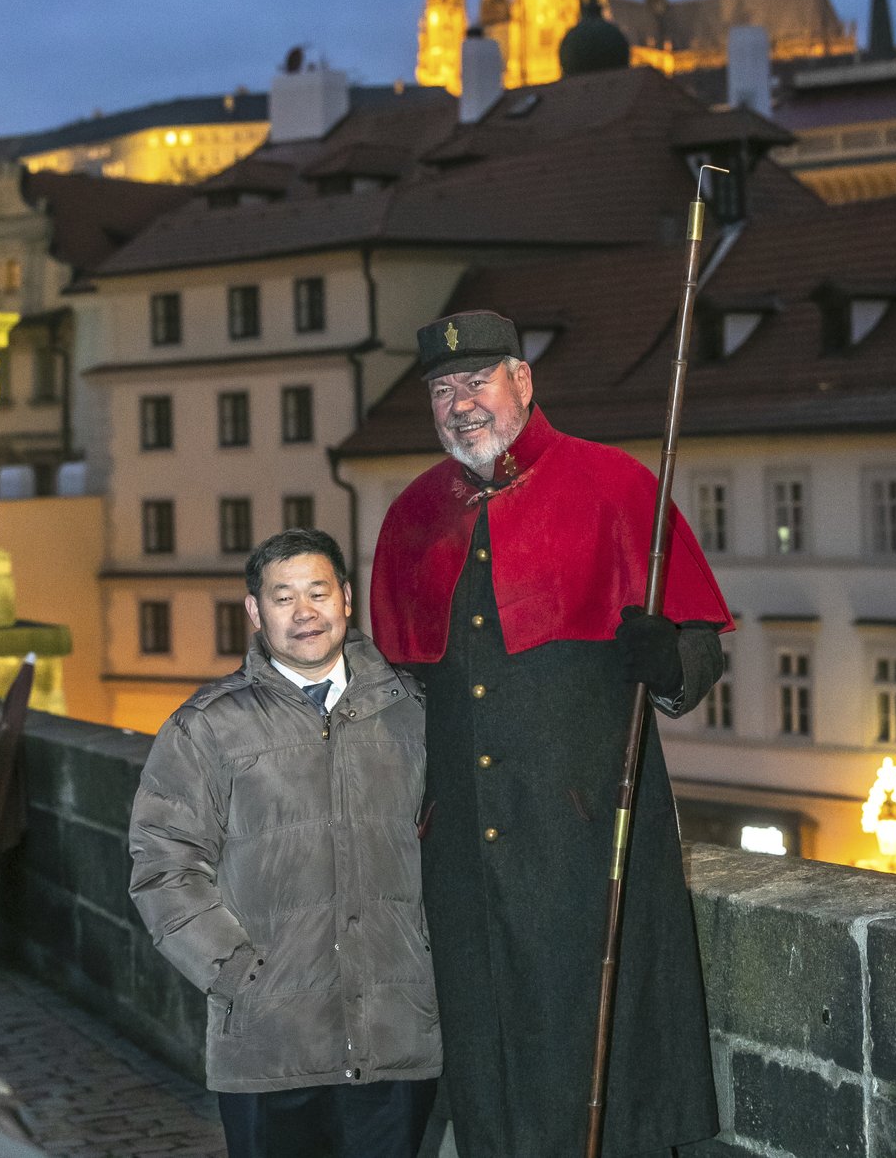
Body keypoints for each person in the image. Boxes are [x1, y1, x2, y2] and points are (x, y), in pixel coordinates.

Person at [370, 311, 733, 1158]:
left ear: (523, 382)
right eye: (442, 389)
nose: (461, 404)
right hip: (462, 853)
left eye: (477, 380)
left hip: (588, 841)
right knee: (484, 1060)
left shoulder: (615, 484)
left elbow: (701, 657)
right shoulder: (413, 515)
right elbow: (393, 689)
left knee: (604, 1060)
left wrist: (668, 657)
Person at [129, 527, 440, 1158]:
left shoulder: (411, 710)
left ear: (346, 600)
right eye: (283, 597)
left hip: (394, 1037)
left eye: (318, 593)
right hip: (270, 1044)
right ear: (254, 611)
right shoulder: (208, 726)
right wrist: (238, 976)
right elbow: (163, 864)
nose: (305, 613)